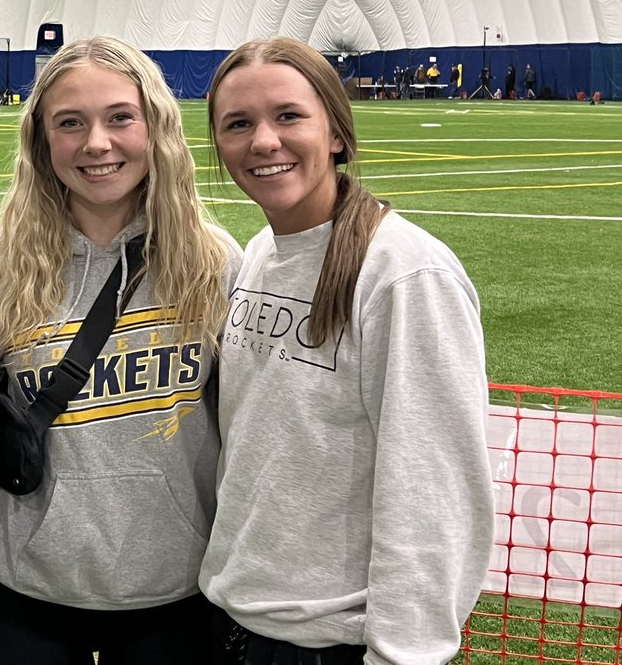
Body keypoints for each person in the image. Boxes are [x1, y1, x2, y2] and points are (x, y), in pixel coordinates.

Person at [201, 38, 494, 665]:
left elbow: (432, 487)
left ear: (336, 132)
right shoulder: (257, 256)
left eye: (288, 116)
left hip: (331, 642)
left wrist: (404, 653)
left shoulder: (406, 273)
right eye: (238, 124)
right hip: (238, 620)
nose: (263, 141)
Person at [0, 36, 242, 665]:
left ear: (157, 128)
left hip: (174, 593)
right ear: (42, 140)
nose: (96, 143)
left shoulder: (216, 262)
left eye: (120, 117)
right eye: (71, 123)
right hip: (22, 587)